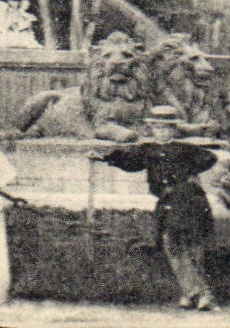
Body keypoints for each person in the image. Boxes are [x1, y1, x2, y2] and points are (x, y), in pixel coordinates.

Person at [89, 105, 219, 311]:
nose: (162, 132)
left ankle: (201, 294)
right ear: (152, 129)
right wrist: (104, 157)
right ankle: (192, 292)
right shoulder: (147, 150)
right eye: (157, 127)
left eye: (167, 128)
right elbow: (129, 161)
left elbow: (210, 158)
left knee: (190, 245)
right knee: (171, 245)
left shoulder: (184, 149)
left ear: (174, 130)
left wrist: (188, 173)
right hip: (167, 201)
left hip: (189, 200)